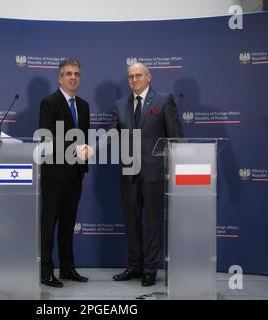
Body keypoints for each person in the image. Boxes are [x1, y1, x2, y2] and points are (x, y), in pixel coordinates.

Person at [111, 62, 184, 286]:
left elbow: (176, 137)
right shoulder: (120, 104)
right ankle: (135, 266)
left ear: (149, 77)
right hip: (129, 173)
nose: (135, 80)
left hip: (154, 174)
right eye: (131, 77)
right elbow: (112, 136)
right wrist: (92, 148)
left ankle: (150, 269)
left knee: (153, 223)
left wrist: (180, 169)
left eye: (139, 75)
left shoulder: (164, 100)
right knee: (131, 222)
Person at [38, 58, 90, 288]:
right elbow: (47, 136)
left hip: (75, 174)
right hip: (54, 173)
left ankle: (68, 268)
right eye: (68, 74)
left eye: (77, 74)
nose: (73, 77)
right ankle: (45, 271)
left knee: (68, 225)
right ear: (60, 78)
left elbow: (85, 140)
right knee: (49, 225)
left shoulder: (84, 105)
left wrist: (84, 169)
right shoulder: (49, 103)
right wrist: (74, 148)